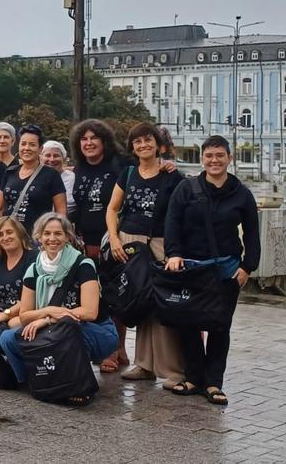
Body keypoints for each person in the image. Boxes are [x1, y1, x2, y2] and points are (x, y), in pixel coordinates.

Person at [163, 135, 260, 406]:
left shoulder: (242, 194)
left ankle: (215, 382)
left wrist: (247, 268)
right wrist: (173, 254)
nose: (214, 160)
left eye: (220, 155)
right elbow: (172, 222)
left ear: (230, 158)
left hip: (226, 268)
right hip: (191, 267)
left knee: (220, 325)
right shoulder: (186, 189)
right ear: (202, 158)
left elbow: (252, 233)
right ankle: (194, 378)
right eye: (209, 156)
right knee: (188, 323)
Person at [0, 212, 118, 406]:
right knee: (8, 338)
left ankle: (77, 384)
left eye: (58, 234)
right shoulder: (34, 269)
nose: (52, 239)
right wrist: (48, 312)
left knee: (68, 333)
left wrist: (47, 319)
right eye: (47, 234)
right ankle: (34, 380)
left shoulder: (83, 265)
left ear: (68, 237)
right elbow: (25, 315)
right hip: (53, 327)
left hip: (95, 330)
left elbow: (89, 312)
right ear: (39, 237)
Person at [103, 122, 186, 380]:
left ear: (158, 145)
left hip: (159, 243)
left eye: (148, 140)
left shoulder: (172, 176)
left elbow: (181, 214)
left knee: (160, 303)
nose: (143, 145)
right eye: (138, 142)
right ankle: (144, 364)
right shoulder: (128, 174)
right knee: (137, 300)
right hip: (129, 242)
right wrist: (115, 239)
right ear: (133, 147)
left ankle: (172, 369)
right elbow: (112, 209)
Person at [0, 124, 67, 237]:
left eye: (32, 145)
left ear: (40, 149)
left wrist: (56, 235)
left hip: (36, 238)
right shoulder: (10, 172)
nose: (26, 148)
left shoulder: (51, 175)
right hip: (9, 237)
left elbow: (60, 211)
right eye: (23, 144)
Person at [68, 119, 124, 260]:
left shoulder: (119, 164)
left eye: (94, 138)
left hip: (113, 241)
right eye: (84, 139)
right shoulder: (78, 168)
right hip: (83, 242)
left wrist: (165, 166)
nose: (89, 143)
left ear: (104, 141)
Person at [41, 140, 76, 216]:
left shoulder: (73, 178)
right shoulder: (35, 178)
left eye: (56, 155)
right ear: (41, 158)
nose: (52, 159)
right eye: (48, 155)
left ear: (63, 158)